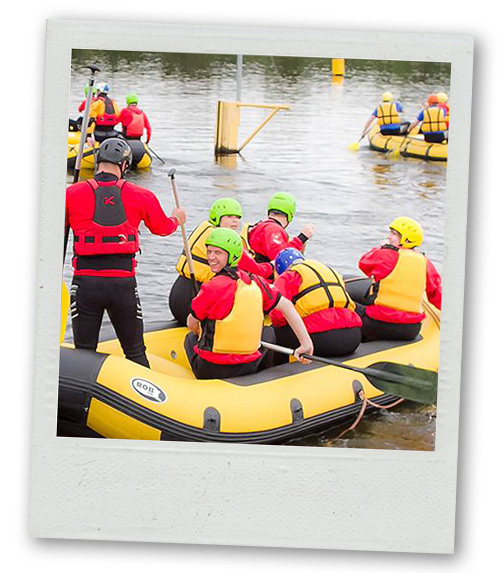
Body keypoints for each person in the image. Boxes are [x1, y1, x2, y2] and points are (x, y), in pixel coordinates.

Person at [65, 138, 187, 368]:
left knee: (83, 353)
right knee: (135, 352)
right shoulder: (142, 195)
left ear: (99, 161)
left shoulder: (71, 193)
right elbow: (162, 228)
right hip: (122, 285)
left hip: (85, 284)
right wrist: (177, 218)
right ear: (124, 165)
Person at [184, 228, 314, 379]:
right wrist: (306, 343)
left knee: (189, 338)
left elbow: (191, 323)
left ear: (232, 255)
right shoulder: (256, 281)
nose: (211, 257)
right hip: (249, 366)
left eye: (218, 253)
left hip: (211, 369)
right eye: (209, 252)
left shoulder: (211, 287)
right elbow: (286, 306)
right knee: (268, 332)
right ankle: (261, 376)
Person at [169, 197, 273, 325]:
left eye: (238, 217)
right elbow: (257, 270)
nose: (235, 221)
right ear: (217, 217)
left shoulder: (205, 228)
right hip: (192, 298)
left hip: (179, 294)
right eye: (229, 216)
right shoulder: (222, 240)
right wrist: (272, 266)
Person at [355, 217, 442, 342]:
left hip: (379, 323)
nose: (389, 236)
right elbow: (436, 295)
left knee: (346, 306)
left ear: (406, 239)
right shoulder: (426, 262)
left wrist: (381, 248)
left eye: (394, 234)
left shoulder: (386, 254)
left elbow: (364, 263)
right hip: (411, 329)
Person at [270, 249, 362, 361]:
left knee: (272, 332)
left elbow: (277, 317)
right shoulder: (329, 270)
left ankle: (278, 367)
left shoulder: (288, 276)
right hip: (353, 337)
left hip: (322, 340)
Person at [243, 192, 315, 265]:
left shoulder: (260, 225)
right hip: (262, 274)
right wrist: (301, 238)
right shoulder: (273, 229)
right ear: (290, 214)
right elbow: (282, 259)